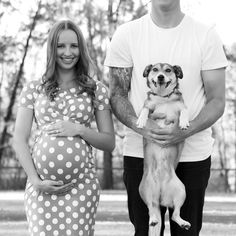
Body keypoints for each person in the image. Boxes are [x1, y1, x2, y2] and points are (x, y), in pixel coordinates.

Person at [104, 0, 228, 235]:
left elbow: (217, 101)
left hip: (193, 156)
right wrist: (140, 126)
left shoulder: (206, 35)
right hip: (141, 155)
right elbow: (117, 94)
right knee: (146, 231)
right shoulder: (126, 34)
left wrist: (184, 131)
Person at [13, 19, 115, 236]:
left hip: (81, 188)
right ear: (52, 49)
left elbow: (109, 142)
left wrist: (79, 129)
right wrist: (35, 180)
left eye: (74, 45)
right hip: (41, 189)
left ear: (81, 49)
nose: (68, 52)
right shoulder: (34, 89)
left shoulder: (96, 89)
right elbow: (19, 139)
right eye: (61, 46)